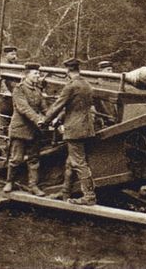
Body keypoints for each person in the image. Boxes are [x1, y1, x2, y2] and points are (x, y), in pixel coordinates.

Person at [42, 57, 97, 205]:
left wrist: (45, 121)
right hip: (86, 127)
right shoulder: (87, 85)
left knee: (79, 163)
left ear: (67, 71)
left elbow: (58, 106)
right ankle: (66, 191)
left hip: (74, 129)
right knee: (70, 161)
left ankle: (89, 196)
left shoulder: (70, 87)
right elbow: (75, 107)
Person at [3, 62, 47, 196]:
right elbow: (23, 108)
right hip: (20, 129)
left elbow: (44, 108)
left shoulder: (38, 91)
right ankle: (9, 182)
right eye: (35, 74)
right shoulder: (19, 89)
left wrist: (51, 118)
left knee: (34, 160)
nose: (38, 76)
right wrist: (38, 119)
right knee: (16, 158)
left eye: (39, 74)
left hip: (34, 131)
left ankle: (33, 186)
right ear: (26, 75)